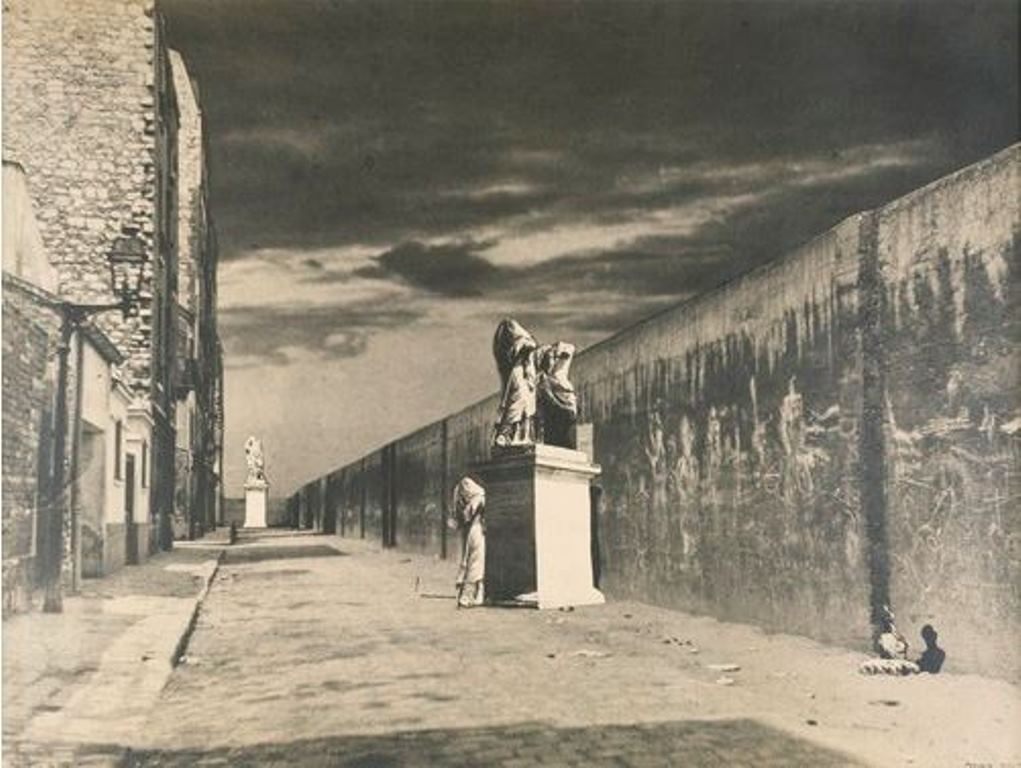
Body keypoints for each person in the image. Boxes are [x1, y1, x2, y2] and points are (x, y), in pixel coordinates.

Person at [450, 477, 486, 608]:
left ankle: (473, 594)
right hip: (476, 529)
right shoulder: (475, 494)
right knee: (475, 560)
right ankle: (469, 595)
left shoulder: (473, 494)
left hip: (476, 529)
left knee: (475, 560)